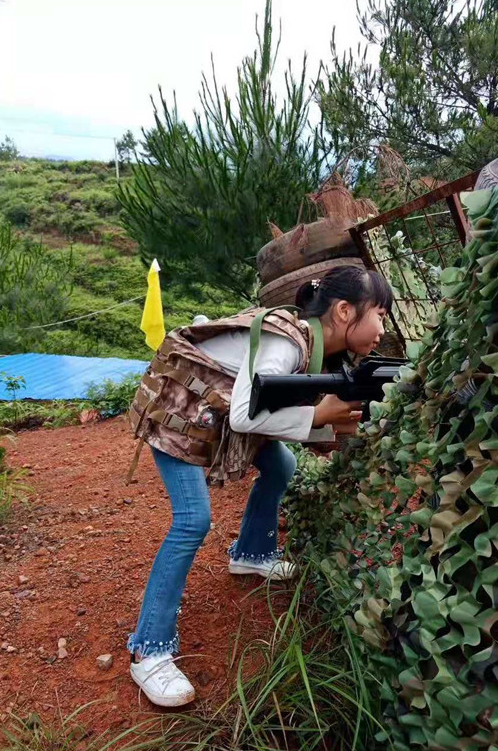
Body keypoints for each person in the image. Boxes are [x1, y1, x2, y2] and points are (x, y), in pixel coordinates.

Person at [126, 266, 393, 707]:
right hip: (177, 415)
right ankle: (148, 649)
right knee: (193, 521)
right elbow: (245, 417)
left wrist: (332, 426)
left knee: (281, 464)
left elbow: (276, 413)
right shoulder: (286, 344)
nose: (383, 328)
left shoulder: (314, 348)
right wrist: (320, 417)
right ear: (345, 311)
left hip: (212, 418)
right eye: (380, 314)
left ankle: (251, 555)